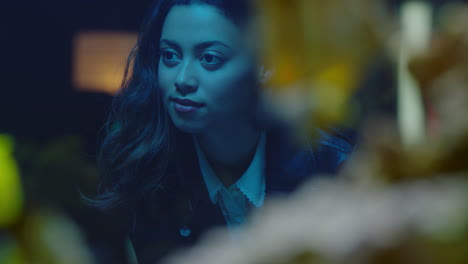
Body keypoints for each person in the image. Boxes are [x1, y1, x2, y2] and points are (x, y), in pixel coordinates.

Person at [92, 0, 356, 263]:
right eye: (170, 56)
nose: (182, 79)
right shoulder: (145, 176)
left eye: (209, 59)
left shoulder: (334, 168)